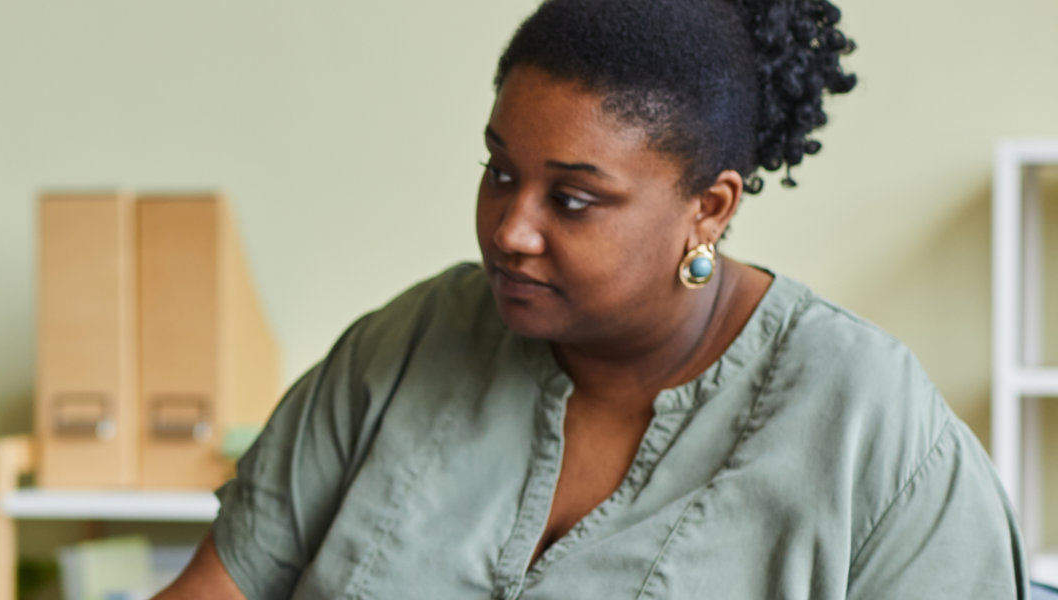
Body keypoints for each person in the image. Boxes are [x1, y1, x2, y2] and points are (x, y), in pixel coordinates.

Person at [155, 0, 1025, 598]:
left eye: (572, 199)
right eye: (500, 172)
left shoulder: (870, 428)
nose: (510, 230)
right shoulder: (407, 346)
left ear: (709, 208)